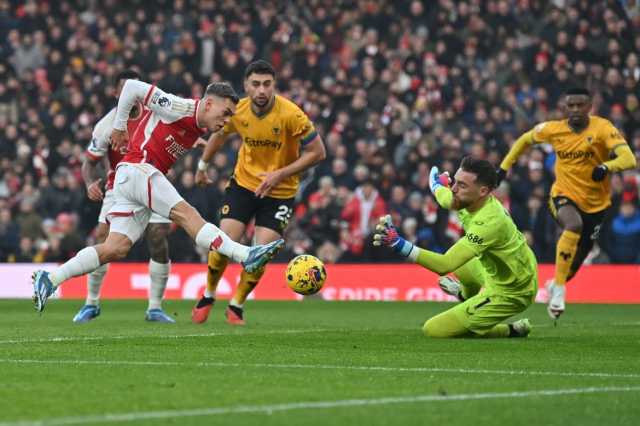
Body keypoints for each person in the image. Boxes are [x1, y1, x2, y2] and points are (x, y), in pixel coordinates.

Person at [31, 79, 284, 313]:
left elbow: (163, 130)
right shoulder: (179, 106)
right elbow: (131, 86)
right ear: (208, 104)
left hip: (129, 180)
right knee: (187, 214)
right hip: (139, 170)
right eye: (225, 112)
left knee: (115, 248)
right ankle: (244, 255)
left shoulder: (196, 124)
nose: (227, 120)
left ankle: (51, 279)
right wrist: (119, 126)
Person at [192, 60, 326, 325]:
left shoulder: (291, 114)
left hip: (280, 191)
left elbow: (318, 152)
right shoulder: (238, 110)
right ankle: (208, 294)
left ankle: (237, 304)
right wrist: (202, 165)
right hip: (244, 184)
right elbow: (220, 134)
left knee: (262, 251)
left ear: (274, 85)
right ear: (246, 86)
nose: (262, 90)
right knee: (224, 241)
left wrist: (280, 174)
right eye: (256, 84)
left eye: (267, 84)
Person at [496, 88, 636, 320]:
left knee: (576, 261)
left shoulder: (603, 128)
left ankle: (556, 284)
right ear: (565, 107)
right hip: (563, 195)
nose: (575, 110)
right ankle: (559, 291)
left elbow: (628, 158)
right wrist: (503, 168)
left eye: (580, 105)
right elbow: (523, 140)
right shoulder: (554, 129)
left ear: (589, 106)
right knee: (573, 225)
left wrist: (606, 167)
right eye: (570, 105)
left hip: (597, 205)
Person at [373, 157, 536, 338]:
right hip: (500, 270)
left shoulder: (490, 222)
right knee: (461, 262)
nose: (454, 189)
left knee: (434, 329)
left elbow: (444, 265)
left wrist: (399, 245)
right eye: (455, 182)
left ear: (483, 191)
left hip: (512, 290)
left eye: (462, 185)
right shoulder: (467, 198)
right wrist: (436, 185)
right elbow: (445, 198)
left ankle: (511, 330)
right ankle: (465, 296)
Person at [74, 69, 184, 323]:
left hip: (151, 180)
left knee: (157, 238)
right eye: (123, 90)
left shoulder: (155, 115)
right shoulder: (106, 125)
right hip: (119, 187)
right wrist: (90, 182)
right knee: (103, 238)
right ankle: (91, 303)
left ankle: (155, 307)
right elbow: (88, 163)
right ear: (116, 93)